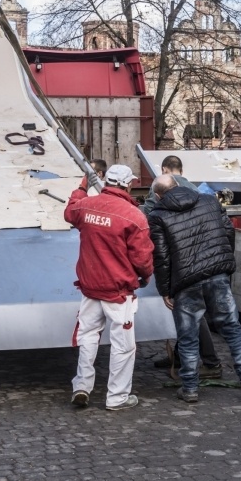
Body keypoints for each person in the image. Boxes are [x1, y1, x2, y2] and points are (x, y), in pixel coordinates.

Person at [147, 174, 241, 403]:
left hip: (185, 282)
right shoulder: (209, 202)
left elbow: (162, 257)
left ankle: (190, 388)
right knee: (233, 329)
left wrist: (165, 290)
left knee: (188, 336)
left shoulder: (158, 215)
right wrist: (225, 265)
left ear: (158, 195)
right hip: (217, 275)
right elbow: (228, 232)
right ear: (178, 186)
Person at [64, 164, 154, 411]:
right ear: (127, 184)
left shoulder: (85, 206)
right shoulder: (134, 216)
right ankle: (117, 398)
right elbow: (143, 258)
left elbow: (70, 211)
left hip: (90, 288)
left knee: (88, 337)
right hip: (118, 292)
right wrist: (145, 277)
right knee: (123, 346)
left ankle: (82, 386)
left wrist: (82, 185)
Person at [143, 155, 223, 380]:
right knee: (189, 310)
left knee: (191, 311)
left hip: (180, 260)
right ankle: (181, 357)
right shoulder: (197, 190)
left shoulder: (160, 189)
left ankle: (211, 362)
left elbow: (148, 219)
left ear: (165, 170)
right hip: (201, 257)